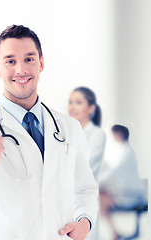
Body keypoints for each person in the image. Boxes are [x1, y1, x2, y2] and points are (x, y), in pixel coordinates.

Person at [0, 25, 98, 240]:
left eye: (29, 59)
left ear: (41, 63)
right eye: (10, 61)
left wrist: (85, 221)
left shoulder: (69, 127)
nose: (21, 70)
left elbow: (85, 188)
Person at [68, 87, 106, 239]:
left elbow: (84, 166)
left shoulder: (97, 135)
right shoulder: (66, 132)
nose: (72, 107)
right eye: (70, 102)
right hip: (66, 199)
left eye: (78, 102)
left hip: (85, 199)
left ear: (91, 108)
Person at [99, 125, 147, 240]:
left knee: (100, 200)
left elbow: (114, 172)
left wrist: (97, 182)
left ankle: (114, 232)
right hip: (125, 192)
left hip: (130, 195)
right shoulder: (122, 150)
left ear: (119, 134)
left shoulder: (126, 152)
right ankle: (115, 232)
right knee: (100, 198)